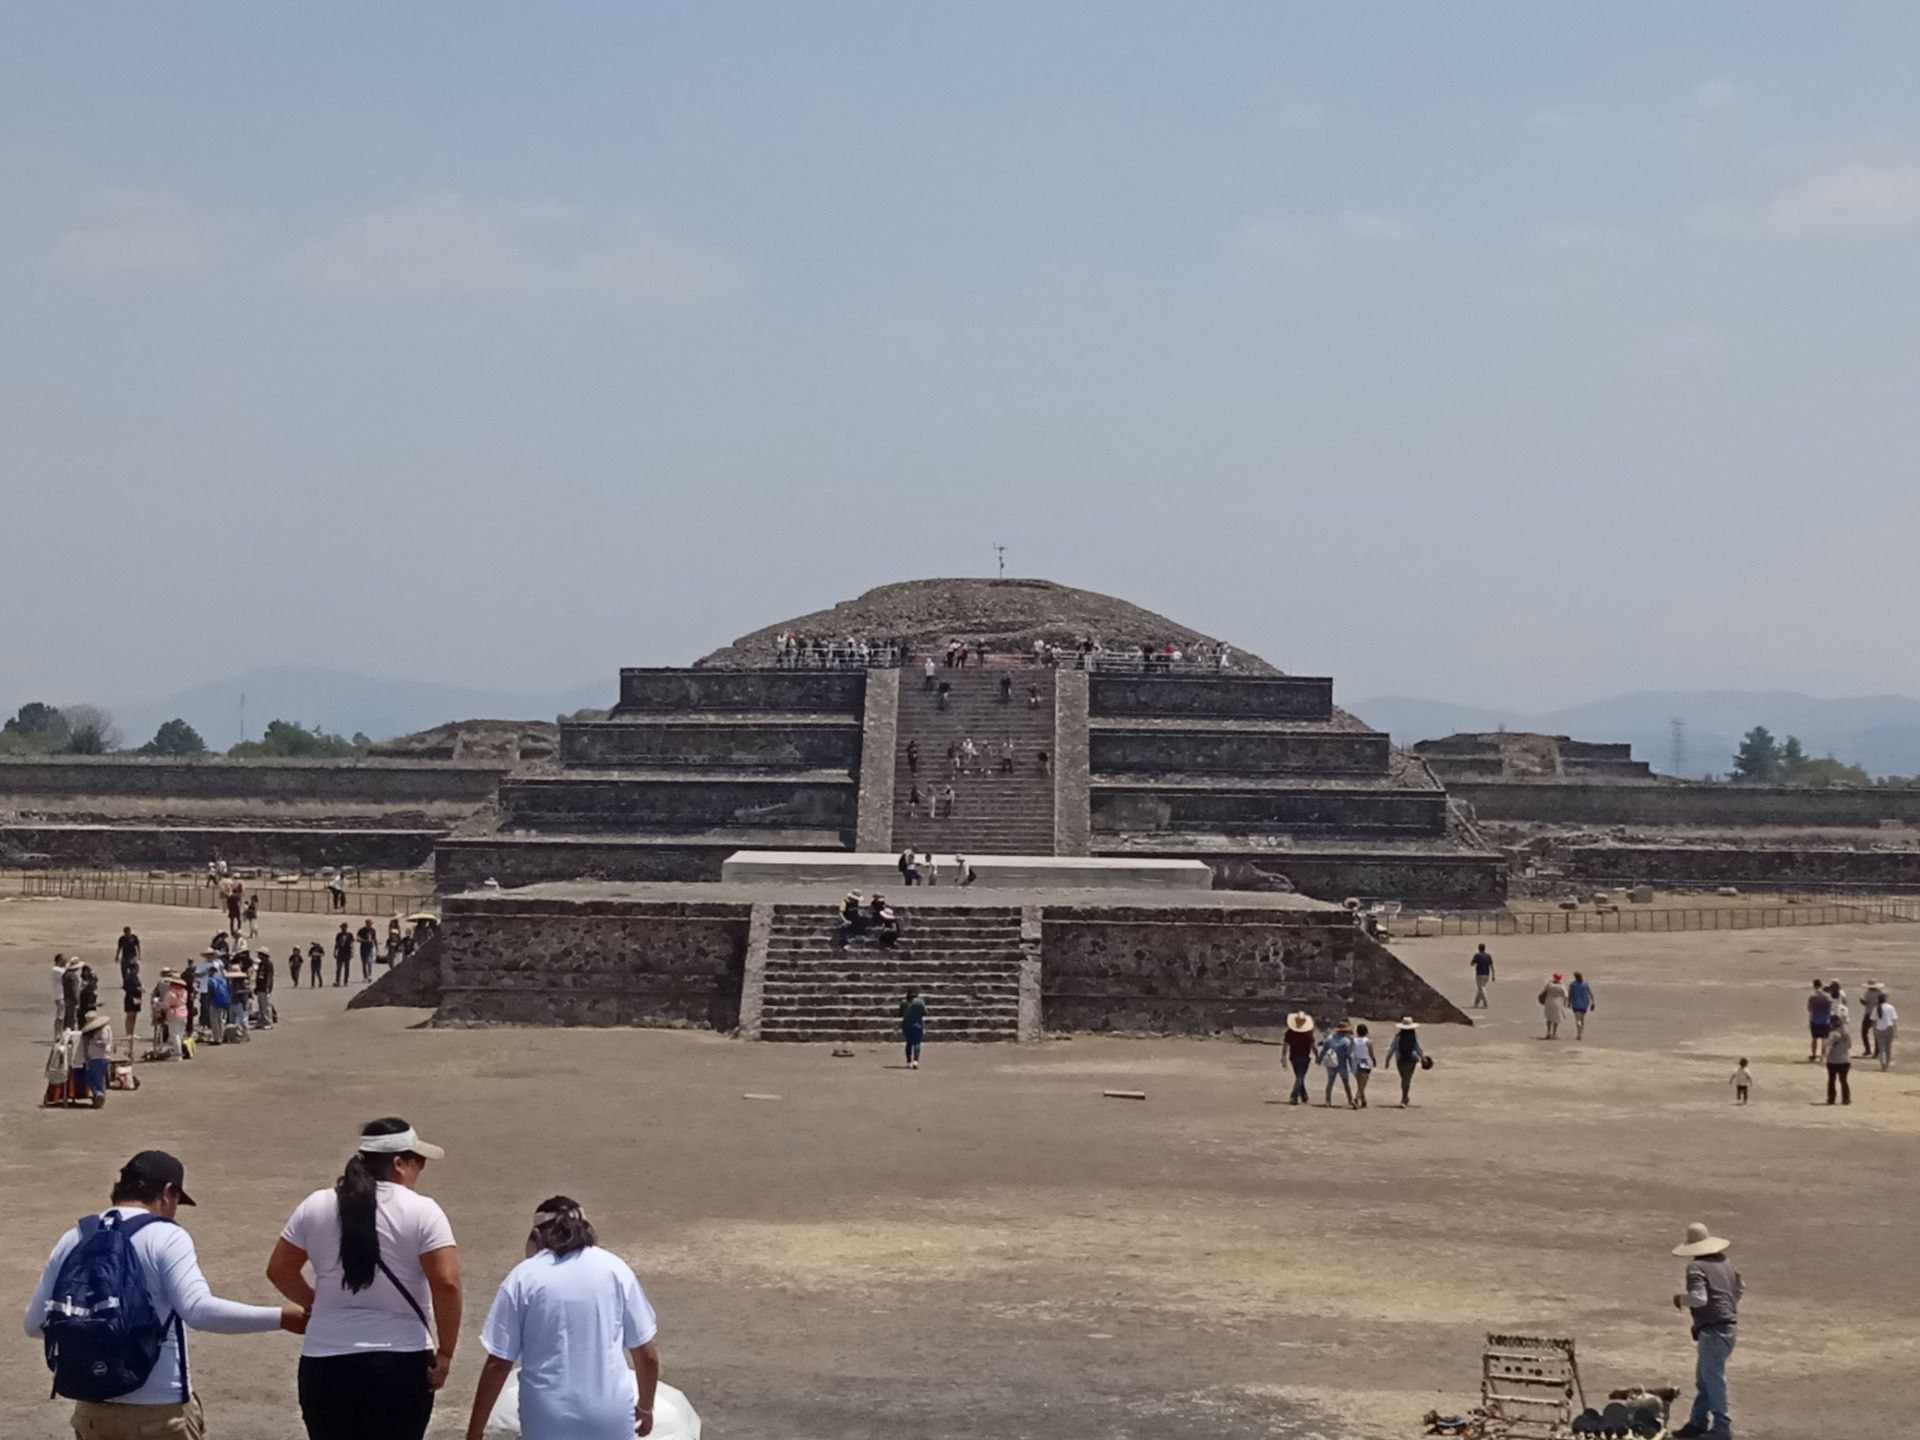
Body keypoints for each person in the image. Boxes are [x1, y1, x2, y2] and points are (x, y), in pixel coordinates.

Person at [25, 1151, 304, 1435]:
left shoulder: (74, 1238)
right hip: (158, 1412)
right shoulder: (167, 1236)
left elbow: (34, 1324)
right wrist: (281, 1317)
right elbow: (198, 1310)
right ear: (168, 1192)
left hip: (92, 1414)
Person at [267, 1117, 461, 1440]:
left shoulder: (316, 1205)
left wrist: (317, 1303)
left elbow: (279, 1270)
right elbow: (447, 1284)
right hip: (402, 1363)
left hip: (326, 1362)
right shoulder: (424, 1211)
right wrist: (446, 1353)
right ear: (399, 1164)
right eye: (419, 1162)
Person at [464, 1196, 661, 1440]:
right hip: (610, 1416)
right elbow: (647, 1356)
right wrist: (646, 1407)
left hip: (547, 1418)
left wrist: (474, 1432)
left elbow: (498, 1364)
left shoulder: (523, 1278)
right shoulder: (616, 1270)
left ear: (537, 1235)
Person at [1669, 1222, 1742, 1439]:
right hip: (1727, 1328)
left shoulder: (1696, 1268)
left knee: (1712, 1379)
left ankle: (1721, 1428)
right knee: (1705, 1379)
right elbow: (1739, 1288)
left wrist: (1680, 1299)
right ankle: (1698, 1422)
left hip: (1712, 1331)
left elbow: (1699, 1299)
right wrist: (1727, 1306)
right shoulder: (1725, 1262)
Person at [1385, 1018, 1426, 1107]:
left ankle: (1403, 1099)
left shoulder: (1399, 1037)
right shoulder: (1411, 1037)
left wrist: (1388, 1059)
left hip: (1402, 1059)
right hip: (1408, 1059)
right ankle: (1405, 1096)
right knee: (1405, 1079)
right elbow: (1418, 1048)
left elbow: (1393, 1048)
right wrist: (1422, 1057)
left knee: (1405, 1079)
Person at [77, 1012, 114, 1107]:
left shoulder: (104, 1030)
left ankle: (98, 1093)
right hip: (99, 1057)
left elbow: (104, 1041)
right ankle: (98, 1094)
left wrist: (93, 1040)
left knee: (92, 1077)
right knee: (97, 1078)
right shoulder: (105, 1029)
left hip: (99, 1057)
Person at [1318, 1022, 1356, 1108]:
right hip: (1342, 1064)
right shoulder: (1347, 1041)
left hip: (1331, 1063)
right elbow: (1348, 1054)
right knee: (1346, 1083)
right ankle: (1350, 1100)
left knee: (1330, 1082)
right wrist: (1351, 1066)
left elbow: (1323, 1050)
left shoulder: (1330, 1038)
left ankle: (1328, 1100)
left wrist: (1319, 1059)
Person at [1282, 1012, 1316, 1105]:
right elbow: (1313, 1046)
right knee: (1300, 1076)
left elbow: (1285, 1046)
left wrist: (1283, 1056)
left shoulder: (1289, 1033)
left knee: (1299, 1076)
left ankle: (1304, 1095)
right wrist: (1317, 1056)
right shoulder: (1308, 1034)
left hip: (1293, 1057)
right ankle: (1294, 1096)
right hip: (1304, 1057)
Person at [120, 944, 144, 1048]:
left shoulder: (135, 977)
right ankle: (128, 1033)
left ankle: (132, 1033)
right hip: (131, 997)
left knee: (134, 1016)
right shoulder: (129, 977)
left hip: (137, 998)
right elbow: (126, 987)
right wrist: (137, 989)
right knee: (129, 1016)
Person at [1824, 1021, 1853, 1104]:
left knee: (1831, 1080)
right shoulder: (1846, 1035)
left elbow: (1827, 1046)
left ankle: (1831, 1099)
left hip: (1833, 1060)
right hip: (1844, 1060)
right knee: (1843, 1080)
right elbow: (1849, 1046)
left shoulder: (1832, 1034)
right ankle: (1846, 1099)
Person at [1807, 979, 1832, 1062]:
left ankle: (1814, 1054)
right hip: (1825, 1019)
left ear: (1814, 986)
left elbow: (1809, 1009)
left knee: (1814, 1038)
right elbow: (1830, 1008)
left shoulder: (1812, 997)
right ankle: (1822, 1056)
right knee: (1824, 1039)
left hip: (1815, 1019)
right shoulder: (1827, 997)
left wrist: (1809, 1020)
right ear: (1821, 985)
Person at [901, 989, 927, 1069]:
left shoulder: (904, 1002)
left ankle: (909, 1061)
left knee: (909, 1042)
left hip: (906, 1025)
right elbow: (925, 1012)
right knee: (917, 1043)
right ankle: (916, 1061)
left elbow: (900, 1013)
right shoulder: (920, 1002)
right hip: (917, 1024)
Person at [1350, 1023, 1375, 1108]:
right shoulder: (1368, 1041)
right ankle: (1356, 1098)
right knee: (1363, 1083)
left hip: (1355, 1062)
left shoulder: (1353, 1041)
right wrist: (1374, 1060)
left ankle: (1363, 1100)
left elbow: (1350, 1051)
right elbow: (1371, 1053)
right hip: (1364, 1062)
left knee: (1360, 1083)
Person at [1860, 978, 1885, 1058]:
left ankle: (1867, 1049)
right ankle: (1877, 1051)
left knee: (1864, 1032)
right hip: (1878, 1014)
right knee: (1876, 1033)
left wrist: (1861, 1001)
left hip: (1868, 1014)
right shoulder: (1880, 993)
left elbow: (1865, 1003)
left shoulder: (1867, 993)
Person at [1568, 971, 1595, 1040]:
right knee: (1582, 1019)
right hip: (1584, 1004)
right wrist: (1593, 1002)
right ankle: (1580, 1033)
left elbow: (1570, 995)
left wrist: (1569, 1002)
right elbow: (1590, 994)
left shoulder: (1572, 985)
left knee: (1578, 1019)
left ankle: (1578, 1033)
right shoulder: (1585, 984)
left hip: (1576, 1004)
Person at [1875, 992, 1897, 1069]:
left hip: (1879, 1029)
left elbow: (1874, 1021)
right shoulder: (1891, 1007)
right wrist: (1895, 1031)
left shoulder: (1876, 1008)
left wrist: (1874, 1030)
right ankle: (1887, 1065)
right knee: (1888, 1048)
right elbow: (1894, 1020)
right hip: (1889, 1028)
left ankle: (1883, 1065)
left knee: (1882, 1049)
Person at [256, 947, 278, 1026]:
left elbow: (269, 976)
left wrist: (267, 987)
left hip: (265, 988)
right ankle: (262, 1020)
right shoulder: (261, 964)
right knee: (261, 1005)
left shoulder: (269, 964)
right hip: (260, 987)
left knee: (266, 1005)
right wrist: (257, 987)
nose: (258, 956)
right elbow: (259, 976)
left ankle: (268, 1022)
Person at [50, 952, 69, 1038]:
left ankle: (59, 1033)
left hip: (61, 995)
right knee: (60, 1016)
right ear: (58, 961)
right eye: (63, 960)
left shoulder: (60, 969)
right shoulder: (56, 970)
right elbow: (66, 974)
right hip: (59, 996)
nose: (65, 961)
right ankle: (57, 1034)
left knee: (62, 1015)